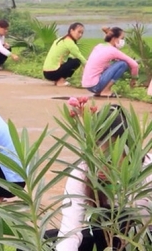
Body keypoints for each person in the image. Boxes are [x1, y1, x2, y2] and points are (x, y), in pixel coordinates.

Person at [56, 104, 152, 251]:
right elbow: (70, 231)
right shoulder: (82, 173)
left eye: (111, 151)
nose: (101, 161)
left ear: (130, 147)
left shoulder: (147, 172)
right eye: (96, 147)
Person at [82, 27, 139, 98]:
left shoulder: (99, 46)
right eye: (122, 38)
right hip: (95, 86)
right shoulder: (113, 51)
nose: (122, 41)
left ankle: (100, 91)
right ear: (114, 39)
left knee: (112, 64)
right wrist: (133, 79)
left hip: (88, 86)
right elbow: (135, 65)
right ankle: (105, 90)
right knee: (123, 64)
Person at [43, 22, 87, 86]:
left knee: (71, 59)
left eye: (82, 33)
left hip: (46, 72)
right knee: (77, 61)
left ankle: (58, 80)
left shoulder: (60, 39)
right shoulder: (70, 42)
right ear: (71, 31)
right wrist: (90, 66)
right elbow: (79, 56)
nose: (80, 35)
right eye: (79, 32)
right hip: (52, 72)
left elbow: (69, 56)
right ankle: (61, 81)